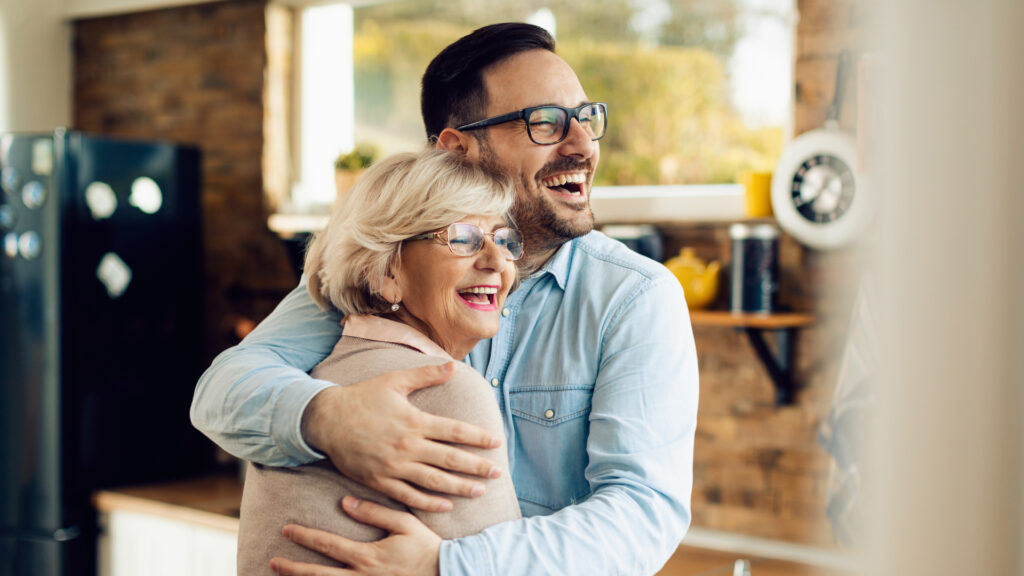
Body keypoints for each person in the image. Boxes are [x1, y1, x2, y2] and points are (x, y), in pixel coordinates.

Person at [191, 22, 699, 576]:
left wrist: (447, 565)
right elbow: (221, 392)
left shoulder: (634, 298)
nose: (582, 145)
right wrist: (327, 417)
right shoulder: (389, 269)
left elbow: (642, 513)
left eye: (586, 118)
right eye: (544, 124)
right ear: (456, 150)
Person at [237, 149, 523, 574]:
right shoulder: (446, 389)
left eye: (503, 239)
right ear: (386, 271)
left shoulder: (308, 379)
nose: (497, 261)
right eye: (462, 237)